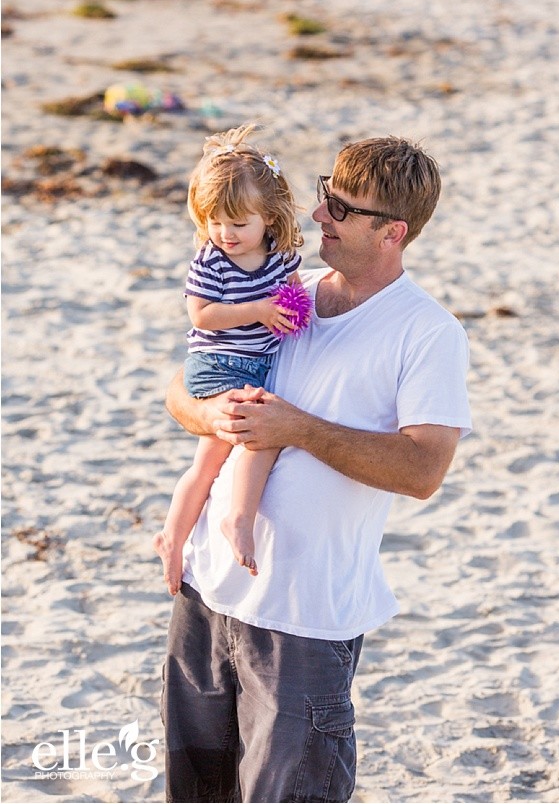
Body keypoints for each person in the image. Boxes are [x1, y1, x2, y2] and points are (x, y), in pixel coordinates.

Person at [161, 133, 472, 803]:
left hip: (303, 620)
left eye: (339, 208)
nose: (316, 216)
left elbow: (423, 470)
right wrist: (213, 419)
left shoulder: (426, 333)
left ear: (392, 232)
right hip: (207, 593)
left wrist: (296, 428)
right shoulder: (287, 291)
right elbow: (179, 390)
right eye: (324, 195)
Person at [153, 124, 305, 595]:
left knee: (210, 460)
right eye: (215, 221)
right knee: (258, 437)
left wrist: (294, 313)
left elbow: (296, 299)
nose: (226, 233)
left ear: (270, 218)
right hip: (217, 365)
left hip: (255, 367)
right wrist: (258, 311)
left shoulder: (280, 257)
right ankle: (237, 520)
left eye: (239, 224)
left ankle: (172, 536)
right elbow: (202, 314)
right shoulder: (212, 260)